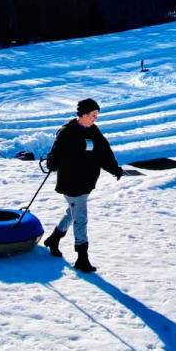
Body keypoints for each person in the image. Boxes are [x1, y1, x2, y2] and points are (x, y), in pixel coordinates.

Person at [41, 98, 125, 273]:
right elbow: (56, 155)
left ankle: (54, 239)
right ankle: (82, 258)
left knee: (73, 213)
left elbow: (104, 152)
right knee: (81, 218)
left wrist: (114, 169)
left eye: (96, 115)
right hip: (71, 182)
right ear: (84, 114)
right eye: (93, 115)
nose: (96, 118)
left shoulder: (94, 131)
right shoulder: (67, 132)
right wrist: (52, 163)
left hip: (86, 182)